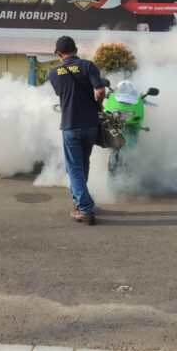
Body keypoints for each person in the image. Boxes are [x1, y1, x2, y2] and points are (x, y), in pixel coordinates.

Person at [48, 35, 106, 225]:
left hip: (70, 124)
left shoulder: (54, 73)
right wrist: (99, 103)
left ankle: (85, 207)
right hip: (90, 124)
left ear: (58, 53)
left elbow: (61, 93)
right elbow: (100, 91)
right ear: (76, 49)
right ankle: (80, 201)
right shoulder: (88, 66)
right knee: (82, 164)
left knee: (74, 168)